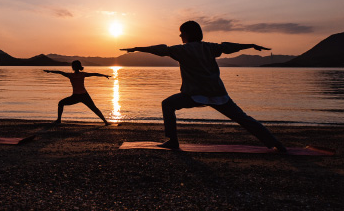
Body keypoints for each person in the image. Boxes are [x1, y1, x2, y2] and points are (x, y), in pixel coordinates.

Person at [121, 20, 286, 152]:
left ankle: (173, 141)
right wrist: (250, 45)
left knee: (168, 104)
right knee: (244, 119)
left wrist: (137, 48)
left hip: (195, 95)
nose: (180, 36)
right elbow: (228, 47)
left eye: (181, 33)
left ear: (187, 34)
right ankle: (275, 143)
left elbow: (162, 49)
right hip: (218, 94)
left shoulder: (182, 50)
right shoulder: (209, 47)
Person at [44, 60, 111, 125]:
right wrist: (50, 71)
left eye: (73, 66)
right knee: (61, 103)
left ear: (75, 67)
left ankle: (105, 122)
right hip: (79, 96)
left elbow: (94, 74)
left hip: (81, 96)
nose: (72, 67)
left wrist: (104, 75)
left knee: (94, 108)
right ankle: (58, 120)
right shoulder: (76, 74)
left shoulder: (73, 75)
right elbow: (60, 72)